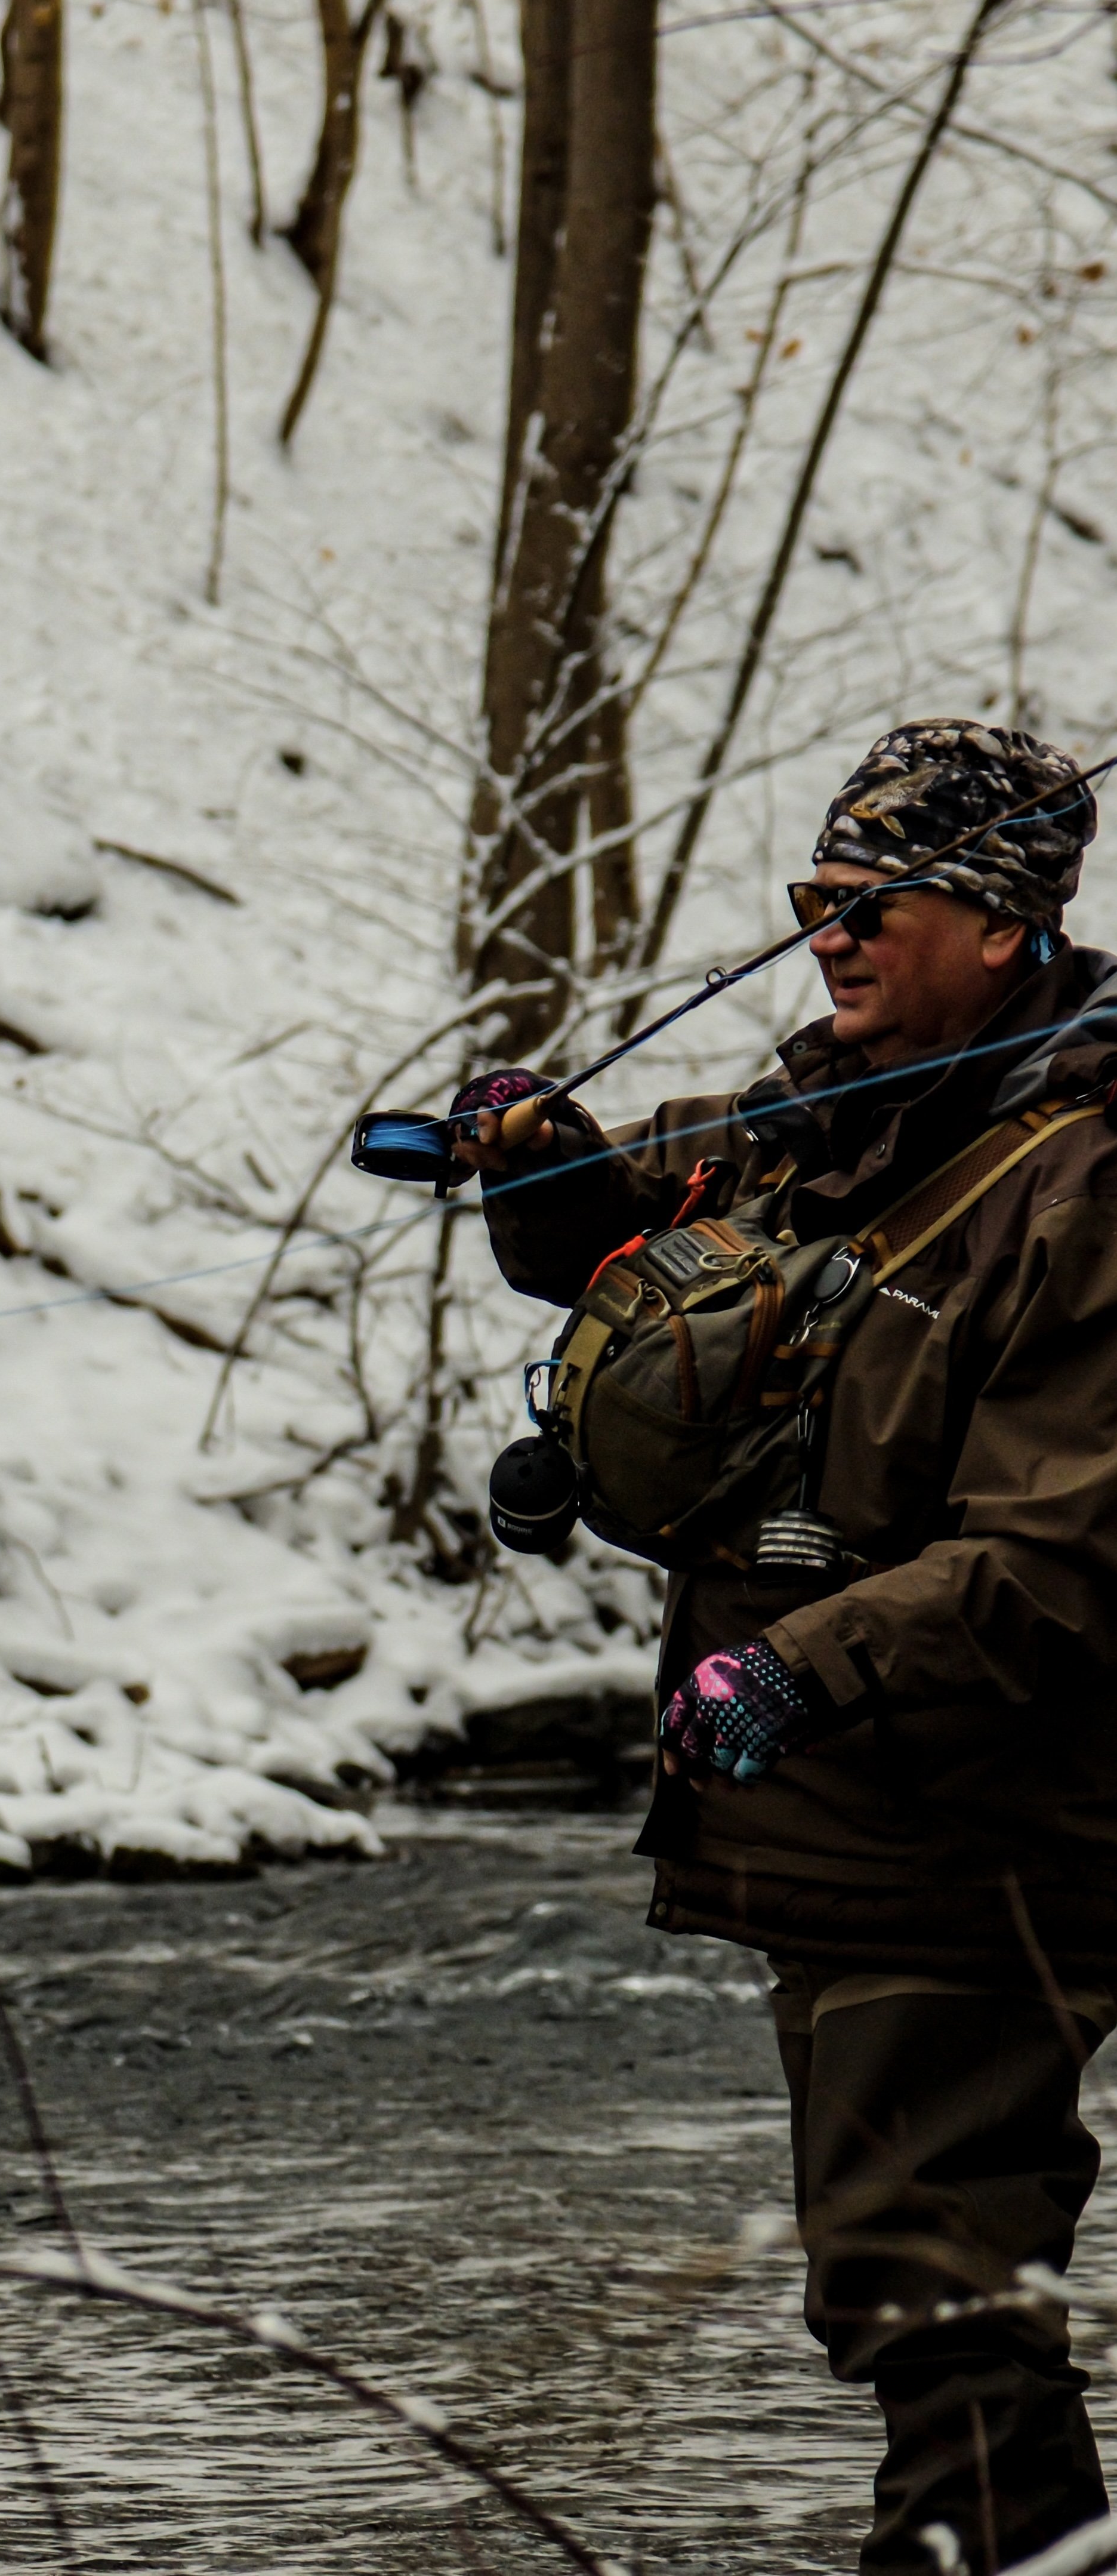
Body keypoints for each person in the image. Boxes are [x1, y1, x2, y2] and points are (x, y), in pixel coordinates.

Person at [455, 719, 1117, 2576]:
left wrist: (804, 1666)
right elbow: (632, 1226)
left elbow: (1063, 1549)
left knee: (936, 2306)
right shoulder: (836, 1098)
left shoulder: (1084, 1177)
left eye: (867, 901)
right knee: (906, 2294)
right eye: (809, 897)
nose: (823, 930)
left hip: (987, 1830)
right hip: (846, 1828)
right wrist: (538, 1168)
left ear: (995, 928)